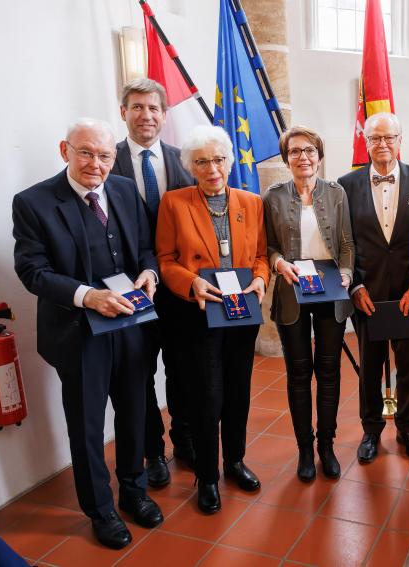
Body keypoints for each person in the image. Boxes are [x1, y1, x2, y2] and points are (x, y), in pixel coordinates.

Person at [12, 118, 163, 549]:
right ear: (65, 150)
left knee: (135, 412)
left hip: (132, 325)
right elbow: (32, 271)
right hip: (78, 334)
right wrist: (87, 296)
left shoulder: (122, 190)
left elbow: (146, 246)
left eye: (104, 155)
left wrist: (149, 272)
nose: (95, 164)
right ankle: (100, 509)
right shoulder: (33, 202)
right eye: (85, 153)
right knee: (87, 426)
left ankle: (134, 491)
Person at [156, 125, 269, 514]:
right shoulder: (174, 203)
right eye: (201, 161)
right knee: (207, 395)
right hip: (199, 312)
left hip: (241, 312)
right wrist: (191, 285)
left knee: (239, 390)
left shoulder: (252, 202)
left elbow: (260, 256)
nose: (212, 168)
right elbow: (166, 261)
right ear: (191, 166)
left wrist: (259, 278)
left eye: (218, 159)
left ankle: (235, 461)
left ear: (229, 161)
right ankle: (207, 475)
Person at [337, 112, 409, 465]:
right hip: (368, 295)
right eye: (374, 138)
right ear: (365, 143)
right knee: (370, 365)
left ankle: (408, 428)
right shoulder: (345, 185)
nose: (382, 144)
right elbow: (344, 241)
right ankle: (371, 430)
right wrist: (356, 287)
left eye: (388, 137)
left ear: (400, 140)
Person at [111, 78, 195, 487]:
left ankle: (185, 439)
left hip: (179, 288)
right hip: (131, 291)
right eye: (137, 107)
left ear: (164, 114)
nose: (146, 115)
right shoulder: (108, 161)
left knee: (182, 369)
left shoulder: (185, 160)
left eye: (154, 108)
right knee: (139, 375)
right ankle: (153, 451)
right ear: (123, 112)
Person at [264, 126, 355, 482]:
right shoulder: (272, 197)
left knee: (329, 371)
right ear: (287, 158)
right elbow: (268, 245)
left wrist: (347, 273)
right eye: (295, 151)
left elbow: (347, 243)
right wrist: (277, 263)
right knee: (299, 373)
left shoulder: (336, 193)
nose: (303, 157)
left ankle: (327, 446)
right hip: (292, 292)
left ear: (319, 155)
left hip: (331, 290)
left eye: (310, 150)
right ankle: (305, 448)